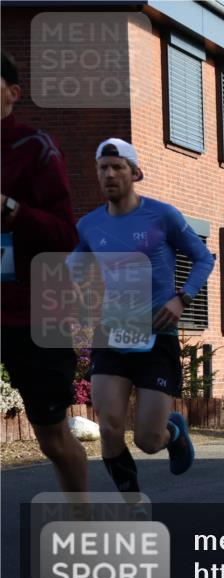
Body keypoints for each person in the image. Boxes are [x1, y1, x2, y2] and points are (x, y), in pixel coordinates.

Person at [70, 138, 215, 496]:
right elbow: (73, 267)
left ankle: (174, 432)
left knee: (149, 440)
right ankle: (130, 498)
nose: (109, 174)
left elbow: (204, 258)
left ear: (135, 172)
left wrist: (182, 299)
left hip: (157, 335)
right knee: (108, 425)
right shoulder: (88, 225)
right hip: (112, 332)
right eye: (103, 168)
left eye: (117, 167)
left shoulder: (162, 215)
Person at [0, 52, 88, 493]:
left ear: (13, 93)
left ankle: (82, 526)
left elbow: (66, 234)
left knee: (52, 437)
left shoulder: (34, 148)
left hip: (34, 313)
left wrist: (13, 212)